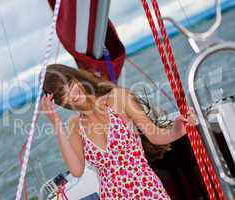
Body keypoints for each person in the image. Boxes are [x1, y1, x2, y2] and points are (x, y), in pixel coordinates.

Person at [40, 64, 197, 199]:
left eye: (69, 85)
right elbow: (77, 170)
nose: (71, 95)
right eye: (62, 95)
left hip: (147, 191)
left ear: (75, 78)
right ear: (59, 102)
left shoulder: (117, 99)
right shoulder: (75, 126)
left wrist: (178, 129)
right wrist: (56, 123)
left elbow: (155, 135)